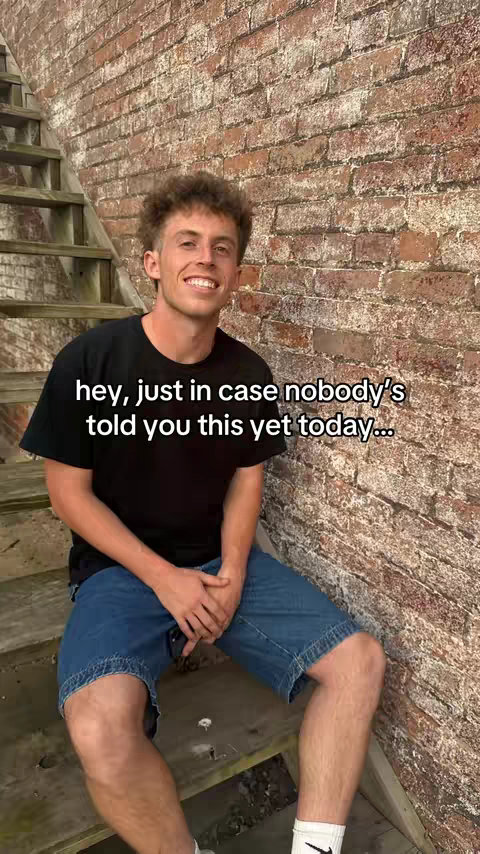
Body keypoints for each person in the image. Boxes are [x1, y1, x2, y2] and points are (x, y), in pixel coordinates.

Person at [19, 171, 386, 854]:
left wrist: (236, 571)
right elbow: (68, 492)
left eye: (222, 248)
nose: (205, 259)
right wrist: (162, 577)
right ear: (154, 264)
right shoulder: (91, 361)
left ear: (236, 272)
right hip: (120, 570)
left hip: (218, 562)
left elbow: (247, 482)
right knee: (99, 723)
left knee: (359, 661)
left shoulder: (246, 375)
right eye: (187, 243)